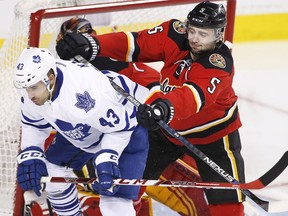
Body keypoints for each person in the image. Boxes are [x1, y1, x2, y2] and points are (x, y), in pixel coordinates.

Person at [56, 1, 246, 215]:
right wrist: (93, 44)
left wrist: (162, 106)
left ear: (219, 34)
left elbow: (192, 96)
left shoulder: (219, 64)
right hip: (166, 131)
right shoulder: (175, 34)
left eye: (203, 34)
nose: (194, 38)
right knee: (127, 185)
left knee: (226, 203)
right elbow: (136, 43)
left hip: (213, 138)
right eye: (192, 30)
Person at [14, 47, 150, 216]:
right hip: (83, 126)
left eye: (33, 88)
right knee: (53, 174)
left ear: (50, 79)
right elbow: (34, 124)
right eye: (26, 88)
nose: (29, 95)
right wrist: (32, 153)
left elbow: (121, 128)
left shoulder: (85, 94)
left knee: (113, 202)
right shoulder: (33, 86)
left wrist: (107, 158)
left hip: (128, 125)